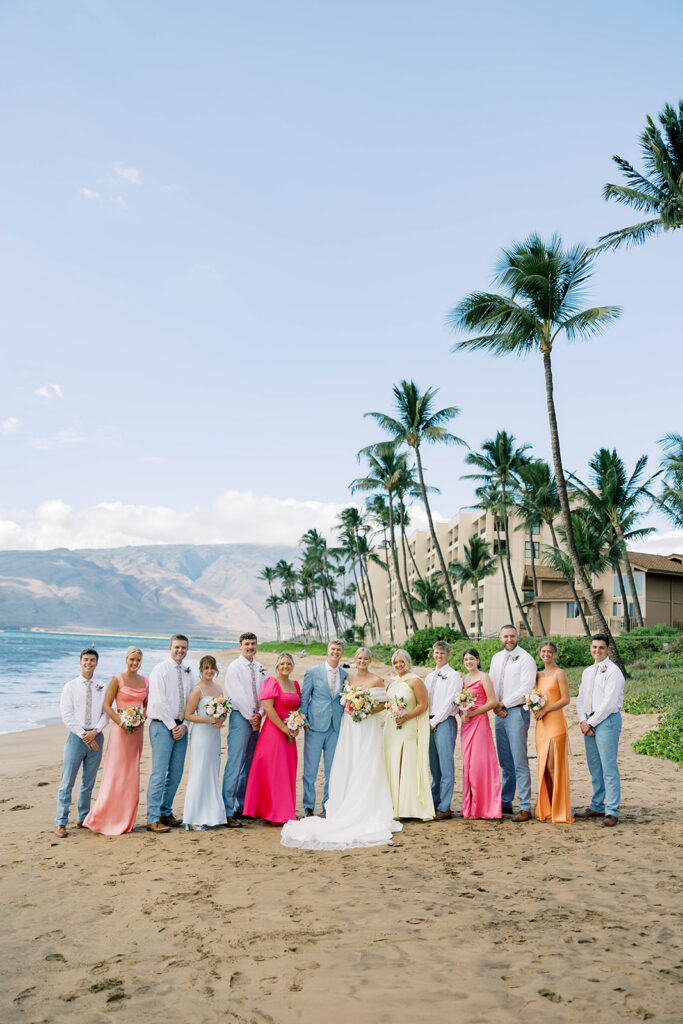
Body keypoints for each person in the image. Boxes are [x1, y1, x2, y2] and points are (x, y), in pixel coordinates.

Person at [281, 648, 402, 850]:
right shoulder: (348, 679)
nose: (362, 661)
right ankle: (310, 808)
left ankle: (355, 805)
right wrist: (304, 719)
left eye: (365, 658)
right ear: (354, 660)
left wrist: (366, 709)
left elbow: (383, 704)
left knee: (363, 763)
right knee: (339, 764)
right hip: (345, 727)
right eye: (359, 658)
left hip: (362, 726)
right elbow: (324, 699)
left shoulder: (376, 679)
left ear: (370, 660)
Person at [83, 646, 148, 835]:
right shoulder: (117, 679)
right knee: (115, 773)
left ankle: (126, 818)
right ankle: (105, 816)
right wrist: (121, 722)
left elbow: (145, 706)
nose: (135, 663)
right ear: (126, 660)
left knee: (131, 773)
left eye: (138, 660)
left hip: (136, 731)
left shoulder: (145, 681)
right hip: (121, 732)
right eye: (132, 660)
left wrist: (140, 720)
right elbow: (107, 705)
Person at [54, 648, 109, 838]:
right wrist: (83, 734)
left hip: (97, 736)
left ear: (96, 663)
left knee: (88, 782)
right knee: (67, 781)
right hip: (76, 738)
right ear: (80, 662)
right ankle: (61, 822)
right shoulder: (70, 686)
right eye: (85, 659)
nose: (89, 663)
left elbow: (107, 712)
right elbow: (66, 715)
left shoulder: (102, 686)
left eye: (92, 660)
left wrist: (95, 732)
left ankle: (83, 818)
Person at [243, 652, 302, 825]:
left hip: (289, 734)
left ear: (292, 666)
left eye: (289, 664)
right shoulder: (272, 682)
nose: (285, 666)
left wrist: (295, 726)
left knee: (286, 770)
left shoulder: (295, 685)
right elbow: (268, 708)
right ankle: (271, 813)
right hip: (274, 732)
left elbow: (296, 710)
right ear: (277, 666)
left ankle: (282, 810)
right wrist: (283, 727)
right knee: (274, 771)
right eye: (282, 663)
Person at [575, 634, 625, 828]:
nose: (597, 650)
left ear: (608, 650)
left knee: (608, 767)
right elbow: (580, 698)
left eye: (601, 648)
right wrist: (582, 720)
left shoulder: (614, 672)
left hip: (607, 721)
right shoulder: (587, 671)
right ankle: (597, 805)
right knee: (595, 767)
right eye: (594, 647)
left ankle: (612, 810)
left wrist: (592, 722)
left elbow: (610, 702)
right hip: (588, 721)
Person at [488, 625, 537, 822]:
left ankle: (525, 806)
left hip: (516, 711)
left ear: (517, 637)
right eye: (505, 636)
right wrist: (494, 705)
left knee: (519, 760)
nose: (509, 639)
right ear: (500, 638)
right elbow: (491, 682)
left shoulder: (526, 659)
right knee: (505, 761)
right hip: (498, 713)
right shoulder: (496, 658)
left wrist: (503, 704)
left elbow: (526, 689)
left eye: (512, 636)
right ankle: (506, 802)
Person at [146, 634, 194, 833]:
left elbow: (192, 700)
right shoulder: (160, 670)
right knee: (159, 772)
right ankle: (152, 817)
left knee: (175, 773)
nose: (180, 650)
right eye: (177, 647)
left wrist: (185, 724)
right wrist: (172, 725)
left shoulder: (188, 672)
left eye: (183, 647)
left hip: (181, 727)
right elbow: (158, 700)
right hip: (161, 726)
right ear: (170, 647)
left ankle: (166, 812)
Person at [384, 649, 434, 821]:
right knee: (392, 762)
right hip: (391, 727)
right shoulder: (391, 682)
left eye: (401, 662)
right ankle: (394, 806)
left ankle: (409, 806)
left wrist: (406, 716)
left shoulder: (415, 681)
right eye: (396, 662)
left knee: (407, 762)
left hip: (408, 726)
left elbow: (423, 704)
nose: (399, 665)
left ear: (408, 661)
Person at [300, 639, 348, 816]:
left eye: (339, 649)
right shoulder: (313, 672)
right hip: (314, 725)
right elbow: (304, 698)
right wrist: (304, 718)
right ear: (328, 650)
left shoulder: (344, 675)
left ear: (342, 652)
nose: (335, 652)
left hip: (335, 726)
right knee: (310, 769)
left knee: (331, 770)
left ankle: (328, 805)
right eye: (333, 649)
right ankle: (308, 806)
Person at [222, 632, 265, 827]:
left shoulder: (260, 667)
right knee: (235, 764)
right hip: (241, 718)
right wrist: (251, 717)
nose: (250, 647)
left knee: (249, 764)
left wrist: (261, 714)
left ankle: (241, 806)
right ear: (240, 645)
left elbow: (265, 693)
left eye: (253, 644)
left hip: (256, 717)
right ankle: (226, 811)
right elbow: (236, 695)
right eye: (246, 644)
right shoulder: (234, 667)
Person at [182, 656, 228, 830]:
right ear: (201, 670)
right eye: (206, 668)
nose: (209, 671)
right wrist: (209, 721)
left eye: (212, 668)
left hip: (214, 736)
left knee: (212, 771)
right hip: (201, 735)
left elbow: (224, 710)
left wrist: (221, 720)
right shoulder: (197, 690)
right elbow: (188, 715)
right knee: (199, 772)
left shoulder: (218, 688)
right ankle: (193, 818)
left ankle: (211, 815)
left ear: (216, 669)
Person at [533, 642, 574, 824]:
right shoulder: (537, 675)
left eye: (550, 652)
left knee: (552, 765)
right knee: (543, 766)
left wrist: (546, 709)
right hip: (541, 724)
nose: (546, 654)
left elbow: (566, 699)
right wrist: (534, 708)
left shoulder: (560, 673)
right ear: (540, 654)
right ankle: (548, 806)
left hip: (555, 722)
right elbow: (533, 696)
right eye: (543, 651)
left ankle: (559, 807)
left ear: (555, 654)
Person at [459, 649, 502, 820]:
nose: (468, 662)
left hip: (479, 723)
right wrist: (462, 713)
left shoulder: (484, 677)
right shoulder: (463, 679)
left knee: (479, 764)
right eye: (466, 659)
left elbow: (492, 702)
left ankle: (485, 806)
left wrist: (474, 712)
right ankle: (470, 807)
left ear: (477, 660)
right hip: (466, 724)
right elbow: (460, 702)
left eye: (471, 659)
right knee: (468, 765)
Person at [424, 640, 462, 821]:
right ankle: (433, 801)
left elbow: (450, 702)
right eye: (436, 653)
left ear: (448, 655)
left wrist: (436, 721)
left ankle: (445, 807)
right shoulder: (430, 676)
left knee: (446, 766)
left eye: (442, 653)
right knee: (434, 766)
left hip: (444, 722)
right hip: (428, 722)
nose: (439, 656)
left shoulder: (453, 676)